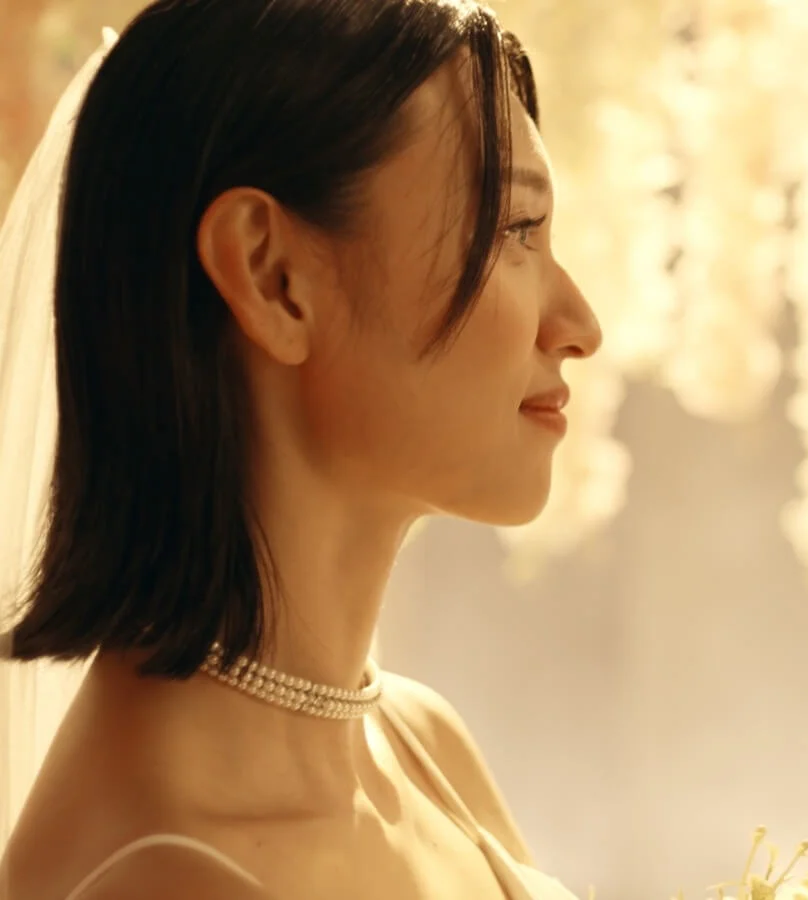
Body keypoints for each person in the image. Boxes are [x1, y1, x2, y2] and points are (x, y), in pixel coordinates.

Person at [0, 1, 600, 898]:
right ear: (271, 275)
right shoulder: (165, 877)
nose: (580, 325)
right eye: (515, 229)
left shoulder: (420, 743)